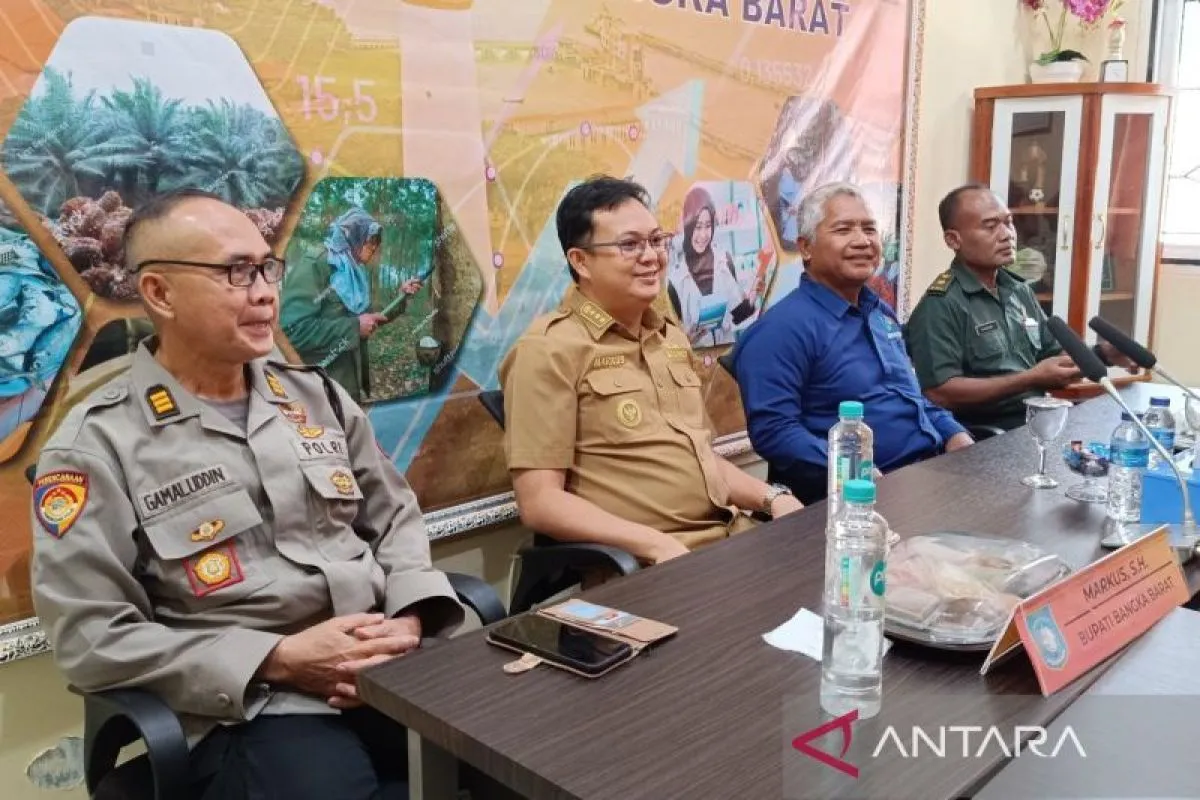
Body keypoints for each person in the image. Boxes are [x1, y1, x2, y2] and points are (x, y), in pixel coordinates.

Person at [30, 189, 465, 800]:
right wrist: (277, 658)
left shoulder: (315, 396)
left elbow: (394, 518)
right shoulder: (98, 444)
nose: (264, 292)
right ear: (159, 293)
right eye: (236, 272)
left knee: (519, 753)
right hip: (254, 703)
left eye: (267, 268)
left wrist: (411, 617)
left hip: (385, 661)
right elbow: (90, 635)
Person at [498, 175, 803, 567]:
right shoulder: (548, 350)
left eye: (656, 240)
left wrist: (773, 497)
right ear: (581, 261)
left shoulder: (669, 337)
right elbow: (541, 502)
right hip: (648, 565)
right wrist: (656, 546)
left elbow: (701, 460)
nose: (651, 257)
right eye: (630, 245)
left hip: (730, 538)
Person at [733, 182, 973, 504]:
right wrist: (853, 469)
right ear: (806, 248)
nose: (863, 241)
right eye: (843, 230)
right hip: (856, 498)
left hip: (930, 474)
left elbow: (909, 397)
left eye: (869, 229)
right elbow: (774, 432)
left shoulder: (879, 312)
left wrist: (954, 433)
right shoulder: (780, 330)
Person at [904, 184, 1135, 431]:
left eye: (1009, 223)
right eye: (990, 226)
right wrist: (1029, 379)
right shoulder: (941, 304)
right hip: (986, 434)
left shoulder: (1018, 291)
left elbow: (1054, 358)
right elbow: (940, 393)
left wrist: (1102, 355)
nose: (1007, 235)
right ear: (953, 239)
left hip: (1037, 421)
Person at [280, 207, 422, 403]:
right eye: (370, 241)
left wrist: (401, 296)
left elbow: (367, 317)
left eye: (377, 242)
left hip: (347, 385)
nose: (374, 248)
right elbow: (292, 331)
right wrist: (354, 327)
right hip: (319, 390)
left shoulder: (353, 270)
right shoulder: (316, 264)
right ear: (352, 236)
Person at [667, 185, 759, 347]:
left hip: (725, 355)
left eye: (708, 225)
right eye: (697, 226)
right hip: (696, 359)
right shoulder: (676, 280)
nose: (703, 235)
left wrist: (754, 294)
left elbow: (737, 315)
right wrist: (685, 342)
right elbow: (669, 342)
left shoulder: (724, 261)